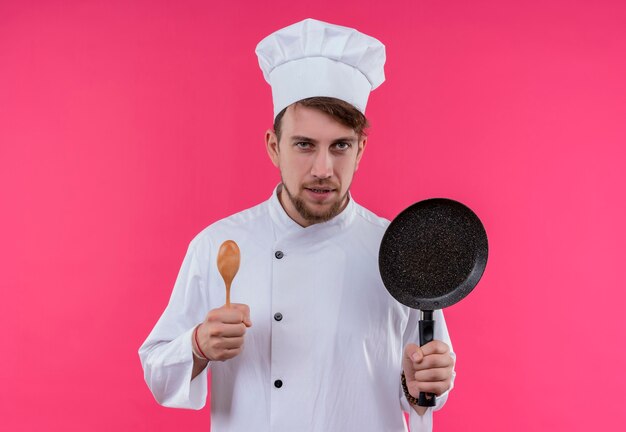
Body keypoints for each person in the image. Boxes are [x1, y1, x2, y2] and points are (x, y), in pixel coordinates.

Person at [139, 18, 455, 432]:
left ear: (360, 149)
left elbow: (423, 385)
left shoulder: (398, 249)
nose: (323, 169)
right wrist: (198, 345)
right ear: (274, 146)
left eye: (340, 145)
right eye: (304, 144)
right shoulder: (219, 244)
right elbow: (158, 372)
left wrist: (421, 385)